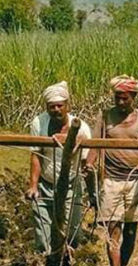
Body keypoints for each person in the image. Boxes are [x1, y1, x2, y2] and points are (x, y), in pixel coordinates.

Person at [85, 75, 138, 266]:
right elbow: (95, 144)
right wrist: (89, 163)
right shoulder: (105, 116)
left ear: (133, 97)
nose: (120, 102)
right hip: (111, 180)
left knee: (131, 232)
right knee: (113, 230)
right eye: (117, 98)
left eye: (125, 98)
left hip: (135, 181)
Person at [25, 81, 92, 255]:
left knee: (71, 230)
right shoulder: (39, 123)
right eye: (51, 106)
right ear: (46, 107)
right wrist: (33, 185)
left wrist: (91, 185)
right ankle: (45, 261)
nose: (56, 110)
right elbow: (36, 156)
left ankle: (68, 262)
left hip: (71, 183)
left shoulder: (82, 127)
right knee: (43, 227)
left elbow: (86, 161)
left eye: (59, 106)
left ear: (67, 106)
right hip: (46, 183)